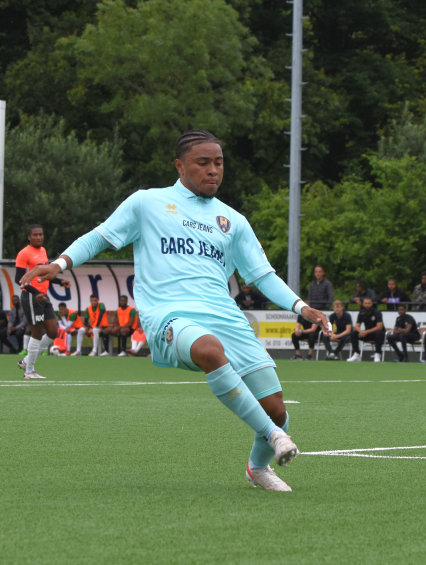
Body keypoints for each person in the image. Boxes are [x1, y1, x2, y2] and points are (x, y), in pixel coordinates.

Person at [21, 130, 330, 492]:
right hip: (169, 314)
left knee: (277, 408)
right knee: (209, 350)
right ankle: (274, 436)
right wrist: (59, 264)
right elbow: (100, 236)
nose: (213, 170)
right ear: (180, 166)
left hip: (225, 316)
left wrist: (301, 306)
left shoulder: (233, 221)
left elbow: (262, 274)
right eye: (203, 163)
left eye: (218, 163)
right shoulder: (147, 203)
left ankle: (258, 468)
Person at [15, 224, 72, 379]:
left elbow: (45, 274)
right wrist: (35, 293)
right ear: (29, 237)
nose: (39, 237)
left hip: (43, 297)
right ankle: (29, 371)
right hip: (31, 297)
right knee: (37, 332)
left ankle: (26, 361)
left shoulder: (43, 251)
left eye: (41, 234)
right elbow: (18, 279)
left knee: (53, 331)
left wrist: (60, 282)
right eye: (35, 235)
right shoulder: (24, 254)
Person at [347, 297, 385, 362]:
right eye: (365, 303)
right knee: (354, 333)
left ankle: (377, 354)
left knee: (379, 333)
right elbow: (356, 326)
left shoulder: (377, 312)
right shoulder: (361, 313)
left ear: (372, 304)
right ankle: (357, 354)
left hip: (376, 334)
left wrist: (366, 332)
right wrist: (361, 331)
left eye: (369, 303)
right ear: (363, 304)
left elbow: (379, 327)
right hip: (367, 334)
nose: (367, 305)